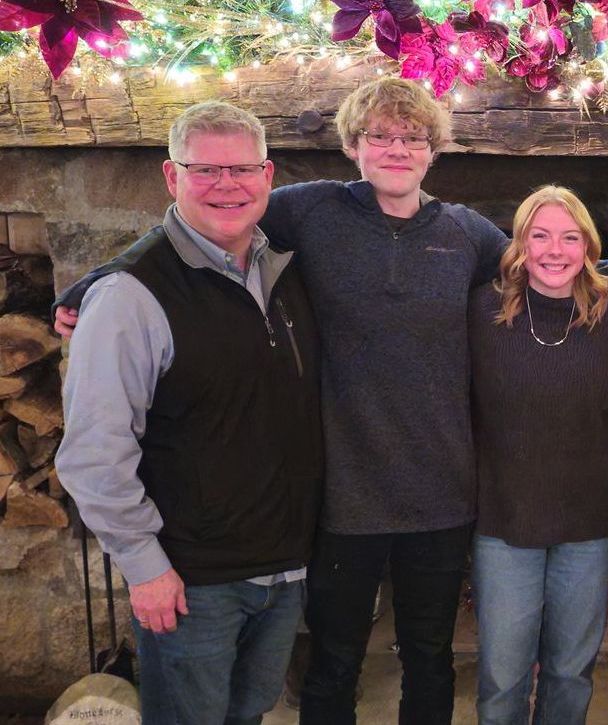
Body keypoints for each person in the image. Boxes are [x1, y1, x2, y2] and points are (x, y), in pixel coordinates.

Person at [55, 78, 508, 724]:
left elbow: (553, 267)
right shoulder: (311, 210)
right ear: (354, 144)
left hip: (440, 495)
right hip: (342, 500)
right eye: (379, 134)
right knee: (333, 662)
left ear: (434, 149)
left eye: (413, 137)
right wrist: (96, 281)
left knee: (429, 657)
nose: (396, 148)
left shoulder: (466, 232)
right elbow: (193, 232)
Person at [55, 101, 323, 724]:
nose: (226, 185)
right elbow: (95, 451)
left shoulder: (281, 269)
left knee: (247, 715)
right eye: (205, 170)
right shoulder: (129, 295)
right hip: (190, 579)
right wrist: (143, 567)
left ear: (268, 176)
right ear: (172, 178)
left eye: (241, 169)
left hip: (281, 565)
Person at [468, 185, 608, 724]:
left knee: (570, 671)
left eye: (570, 237)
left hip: (587, 525)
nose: (555, 250)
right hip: (504, 522)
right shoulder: (483, 312)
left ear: (589, 247)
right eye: (539, 235)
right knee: (503, 673)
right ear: (519, 245)